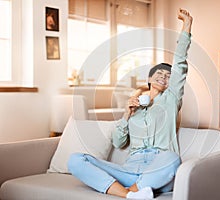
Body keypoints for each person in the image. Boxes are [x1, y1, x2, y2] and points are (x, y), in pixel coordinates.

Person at [68, 8, 193, 199]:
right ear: (149, 78)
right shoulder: (135, 104)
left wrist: (186, 25)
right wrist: (127, 114)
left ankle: (129, 191)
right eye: (159, 73)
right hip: (129, 169)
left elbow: (180, 63)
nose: (164, 77)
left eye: (168, 76)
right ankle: (130, 194)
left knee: (173, 159)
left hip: (158, 166)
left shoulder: (171, 99)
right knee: (76, 160)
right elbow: (118, 142)